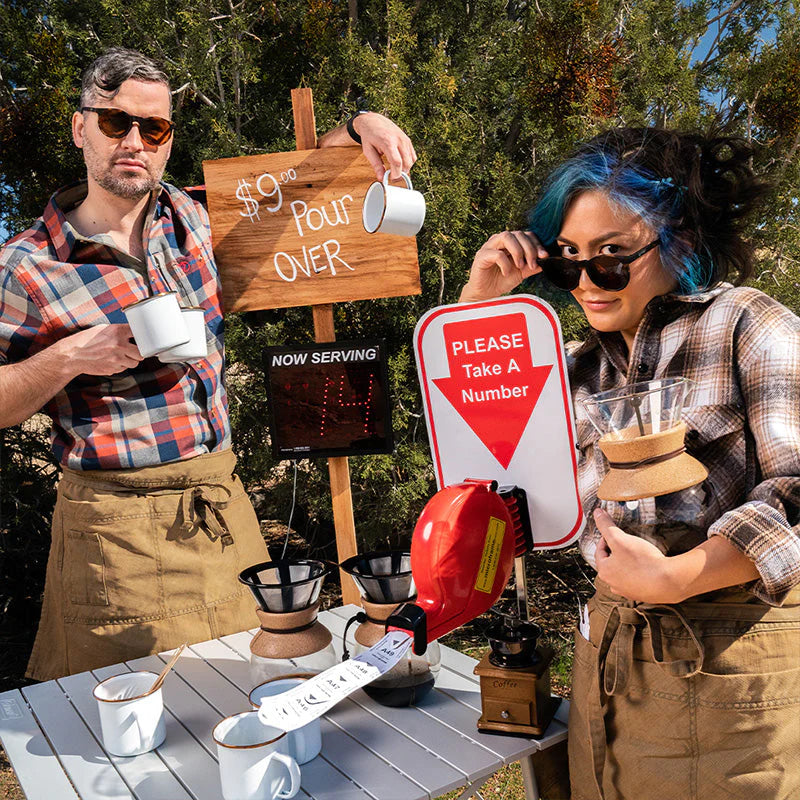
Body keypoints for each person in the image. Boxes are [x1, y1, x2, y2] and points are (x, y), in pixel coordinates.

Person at [0, 47, 417, 681]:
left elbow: (302, 183)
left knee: (250, 688)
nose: (135, 141)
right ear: (80, 127)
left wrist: (361, 126)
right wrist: (70, 355)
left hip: (220, 507)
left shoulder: (196, 216)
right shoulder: (25, 266)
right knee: (133, 734)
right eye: (116, 123)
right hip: (113, 531)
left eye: (154, 127)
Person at [461, 128, 800, 800]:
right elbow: (485, 462)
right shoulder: (574, 369)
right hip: (611, 667)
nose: (587, 283)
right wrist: (481, 303)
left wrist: (677, 577)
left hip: (727, 662)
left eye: (612, 257)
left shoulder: (746, 325)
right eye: (569, 261)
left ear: (678, 241)